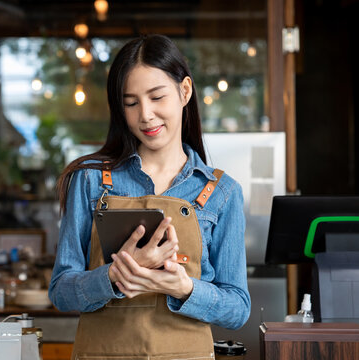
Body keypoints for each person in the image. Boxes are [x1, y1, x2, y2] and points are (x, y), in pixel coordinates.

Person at [48, 34, 250, 359]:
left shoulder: (221, 192)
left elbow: (238, 309)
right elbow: (60, 292)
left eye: (157, 97)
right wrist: (113, 277)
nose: (145, 115)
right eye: (131, 103)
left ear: (185, 91)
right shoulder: (90, 180)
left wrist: (183, 288)